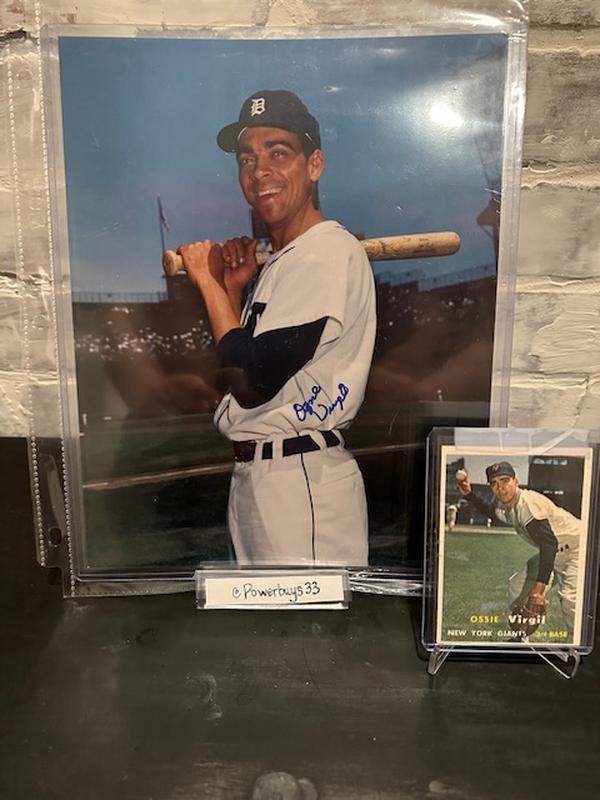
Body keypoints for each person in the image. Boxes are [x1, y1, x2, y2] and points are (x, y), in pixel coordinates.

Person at [179, 90, 376, 566]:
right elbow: (239, 366)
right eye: (247, 159)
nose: (259, 170)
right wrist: (232, 291)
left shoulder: (326, 250)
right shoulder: (289, 260)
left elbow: (253, 382)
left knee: (303, 616)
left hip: (300, 480)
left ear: (315, 164)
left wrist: (207, 282)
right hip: (266, 476)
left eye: (278, 153)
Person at [456, 460, 582, 631]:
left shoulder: (527, 503)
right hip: (554, 551)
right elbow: (492, 513)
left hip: (577, 549)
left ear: (516, 482)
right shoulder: (508, 507)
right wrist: (469, 495)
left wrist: (538, 590)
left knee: (571, 602)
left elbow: (549, 544)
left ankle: (580, 644)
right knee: (517, 586)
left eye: (505, 480)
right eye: (494, 483)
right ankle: (522, 636)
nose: (500, 488)